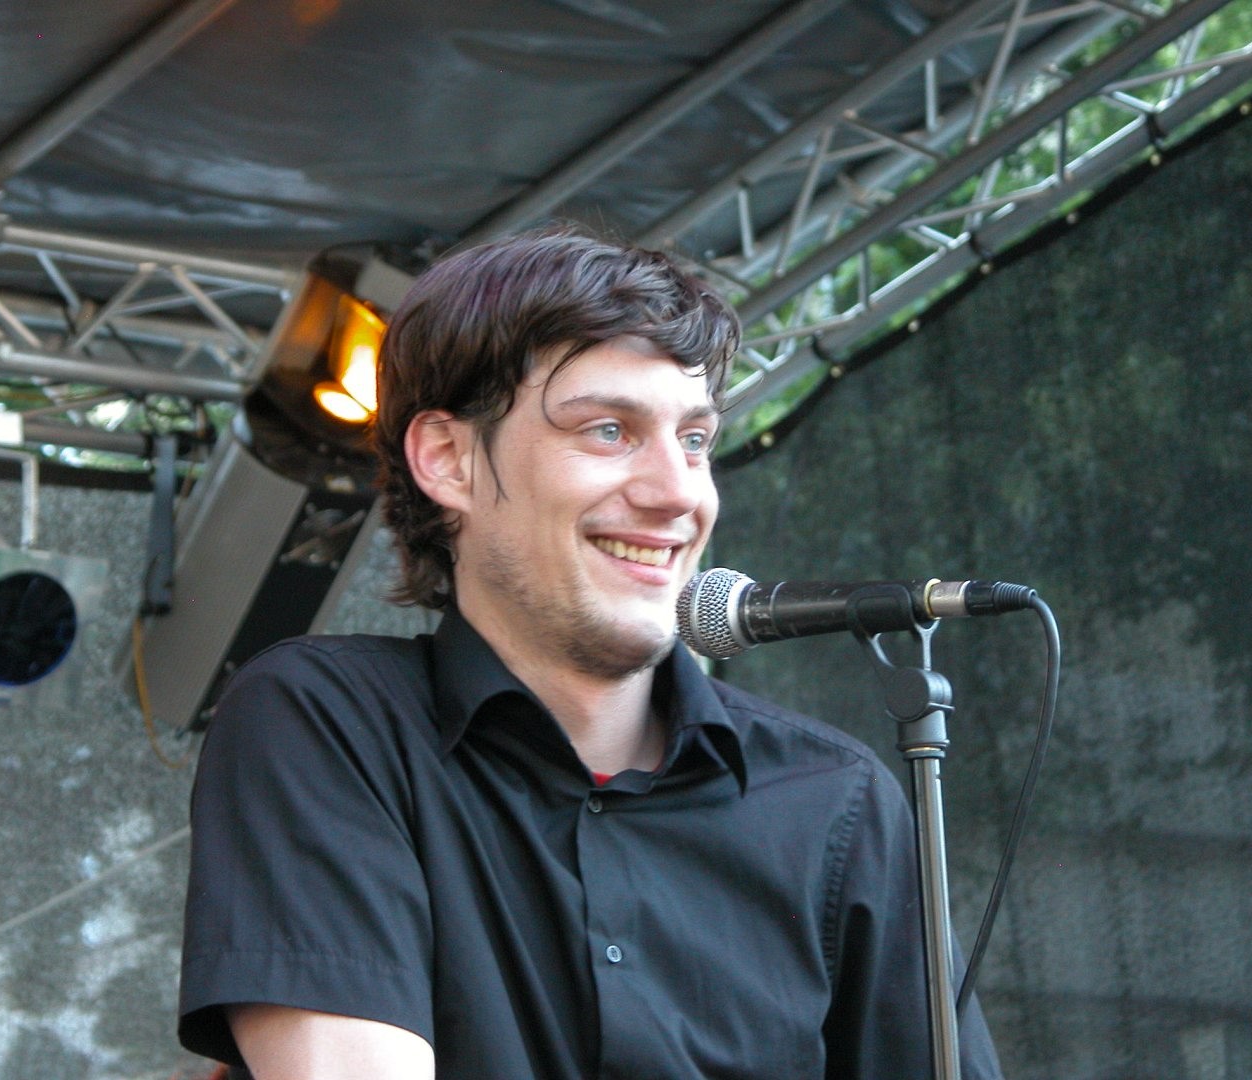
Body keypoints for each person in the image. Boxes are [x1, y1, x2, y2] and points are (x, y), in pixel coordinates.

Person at [177, 228, 1005, 1079]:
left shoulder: (837, 801)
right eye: (609, 430)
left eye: (694, 440)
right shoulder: (327, 722)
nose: (677, 492)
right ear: (448, 459)